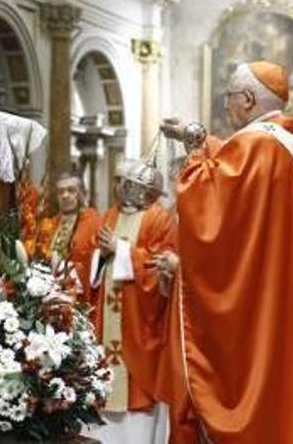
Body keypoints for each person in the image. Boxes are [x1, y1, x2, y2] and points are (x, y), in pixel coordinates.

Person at [160, 61, 293, 443]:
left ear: (248, 98)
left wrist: (191, 163)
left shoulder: (256, 144)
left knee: (253, 386)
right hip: (277, 285)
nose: (226, 105)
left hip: (254, 294)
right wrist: (198, 139)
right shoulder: (281, 146)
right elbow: (231, 171)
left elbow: (209, 203)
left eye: (229, 96)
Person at [84, 160, 177, 444]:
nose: (120, 187)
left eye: (124, 181)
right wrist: (101, 255)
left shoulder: (159, 218)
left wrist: (122, 250)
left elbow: (159, 265)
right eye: (117, 180)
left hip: (140, 319)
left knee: (137, 388)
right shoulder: (110, 214)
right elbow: (95, 256)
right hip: (108, 314)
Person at [31, 172, 101, 307]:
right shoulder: (48, 225)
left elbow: (99, 265)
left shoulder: (95, 223)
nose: (65, 195)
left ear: (83, 194)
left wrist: (72, 270)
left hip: (82, 298)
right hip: (50, 298)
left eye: (71, 190)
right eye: (60, 192)